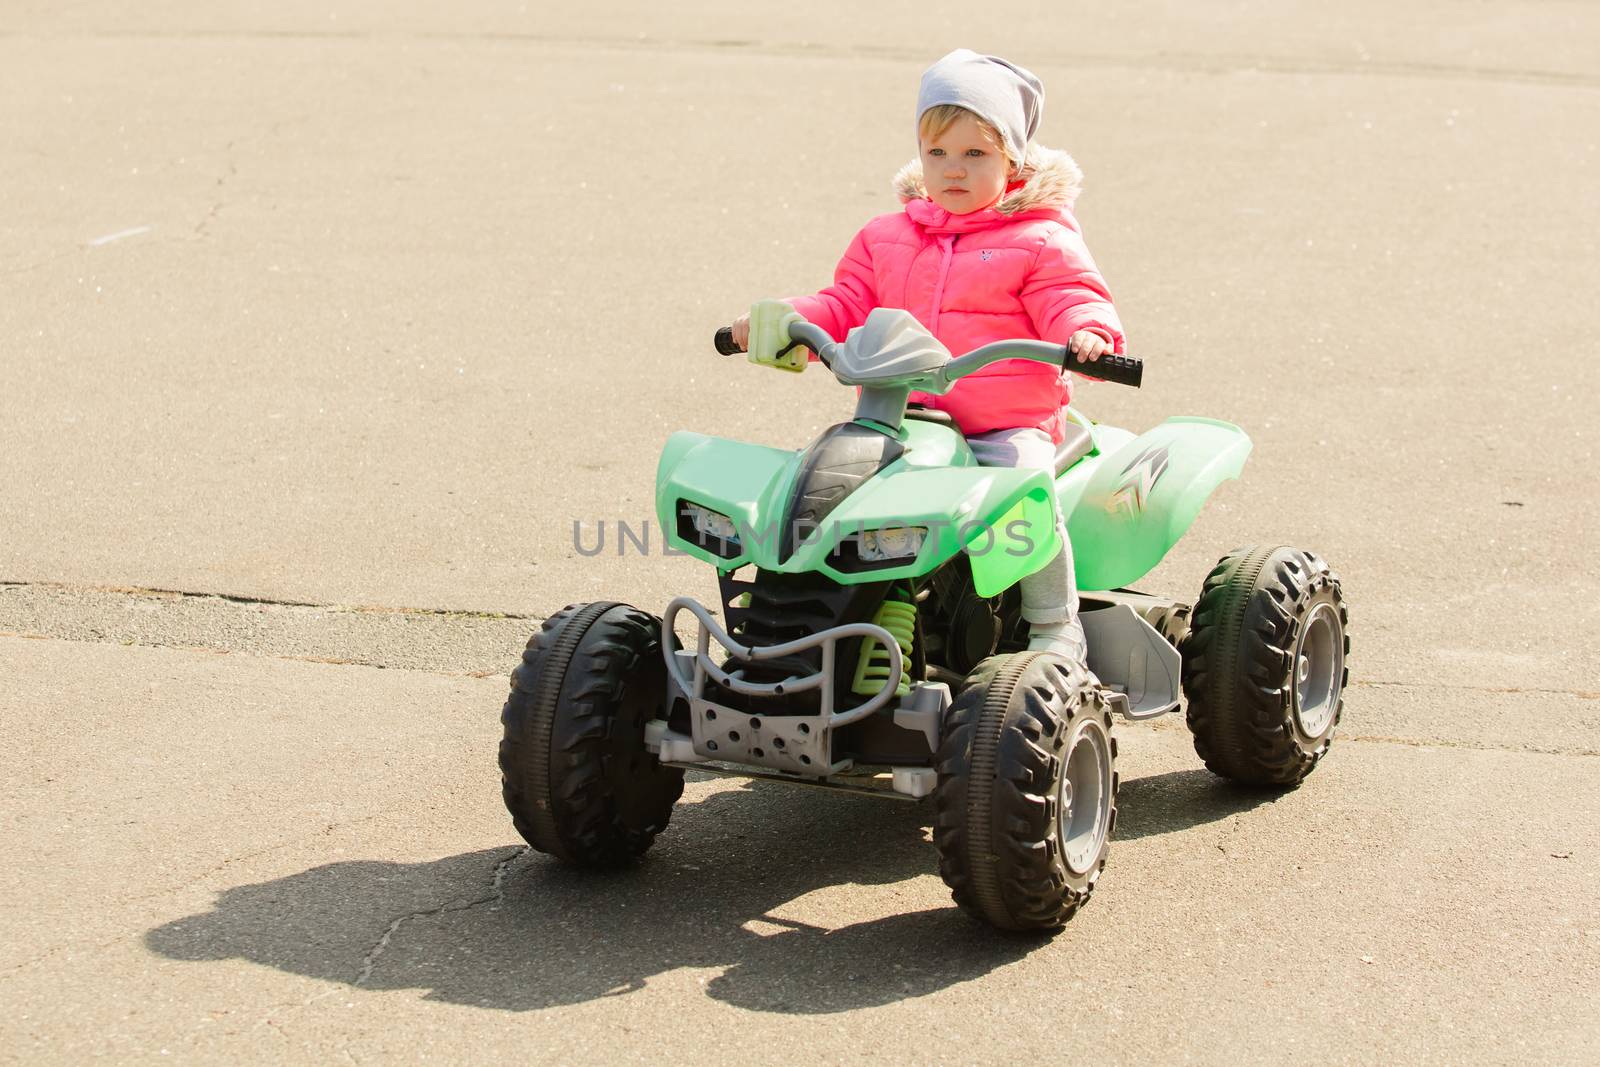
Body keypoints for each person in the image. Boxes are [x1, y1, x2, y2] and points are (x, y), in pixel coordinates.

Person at [730, 48, 1124, 661]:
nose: (953, 170)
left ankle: (1054, 626)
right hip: (896, 416)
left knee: (1024, 494)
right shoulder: (887, 236)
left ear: (1013, 158)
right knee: (818, 488)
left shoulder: (1040, 237)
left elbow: (1071, 296)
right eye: (937, 152)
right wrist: (777, 322)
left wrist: (1088, 335)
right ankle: (791, 633)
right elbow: (844, 302)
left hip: (1002, 422)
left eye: (975, 154)